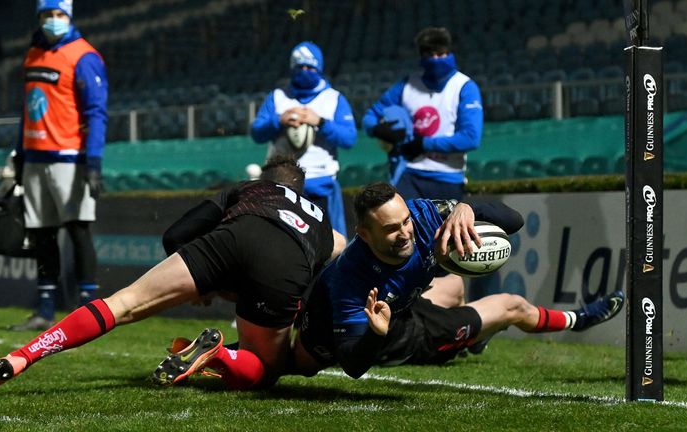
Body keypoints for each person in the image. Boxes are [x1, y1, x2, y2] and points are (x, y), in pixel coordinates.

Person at [0, 156, 343, 397]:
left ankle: (22, 357)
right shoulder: (323, 221)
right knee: (267, 371)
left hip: (230, 239)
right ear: (301, 190)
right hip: (285, 261)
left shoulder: (247, 189)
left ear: (266, 177)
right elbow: (337, 258)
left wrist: (206, 279)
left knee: (122, 303)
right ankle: (221, 355)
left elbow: (175, 235)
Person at [169, 183, 624, 382]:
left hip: (398, 304)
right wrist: (377, 333)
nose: (406, 232)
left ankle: (473, 338)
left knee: (454, 287)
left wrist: (468, 209)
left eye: (406, 221)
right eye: (392, 230)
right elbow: (351, 366)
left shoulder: (424, 216)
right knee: (510, 306)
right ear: (363, 236)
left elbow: (515, 220)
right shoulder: (353, 279)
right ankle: (577, 318)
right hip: (379, 332)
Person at [10, 0, 108, 331]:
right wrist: (20, 152)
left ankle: (89, 311)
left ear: (69, 17)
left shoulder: (84, 56)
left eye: (59, 15)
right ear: (38, 17)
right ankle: (45, 310)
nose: (53, 20)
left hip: (70, 158)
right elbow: (26, 108)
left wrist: (93, 161)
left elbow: (96, 113)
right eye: (46, 15)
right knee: (41, 234)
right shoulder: (33, 54)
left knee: (78, 229)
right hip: (35, 158)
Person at [362, 27, 483, 201]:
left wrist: (424, 144)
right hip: (410, 172)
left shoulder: (464, 87)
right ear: (421, 56)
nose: (436, 59)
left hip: (448, 176)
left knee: (444, 228)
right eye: (430, 55)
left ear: (449, 52)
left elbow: (470, 138)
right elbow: (369, 117)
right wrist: (378, 130)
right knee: (404, 227)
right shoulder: (407, 85)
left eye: (441, 54)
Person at [251, 41, 357, 236]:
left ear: (319, 68)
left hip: (321, 185)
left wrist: (321, 122)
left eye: (310, 67)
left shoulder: (333, 98)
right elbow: (256, 132)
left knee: (332, 246)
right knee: (283, 244)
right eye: (299, 66)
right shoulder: (278, 97)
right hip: (283, 186)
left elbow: (349, 138)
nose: (304, 71)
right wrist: (278, 120)